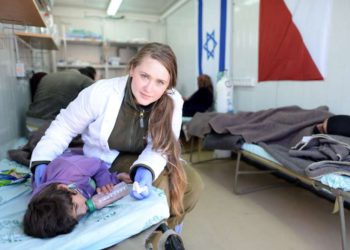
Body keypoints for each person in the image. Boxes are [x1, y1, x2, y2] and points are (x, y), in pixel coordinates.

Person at [30, 42, 204, 234]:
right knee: (162, 186)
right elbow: (64, 127)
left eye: (160, 82)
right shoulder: (100, 92)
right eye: (144, 76)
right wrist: (42, 160)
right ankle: (154, 237)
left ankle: (167, 233)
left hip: (151, 155)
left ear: (168, 84)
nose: (149, 88)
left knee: (194, 186)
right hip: (110, 158)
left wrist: (146, 169)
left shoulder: (173, 100)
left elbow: (161, 145)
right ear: (132, 69)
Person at [23, 150, 131, 238]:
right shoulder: (49, 203)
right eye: (78, 218)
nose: (84, 211)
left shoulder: (73, 169)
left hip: (75, 156)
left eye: (76, 207)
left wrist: (106, 181)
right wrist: (115, 179)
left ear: (65, 188)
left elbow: (99, 164)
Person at [26, 67, 96, 121]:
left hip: (30, 122)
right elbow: (99, 98)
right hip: (50, 126)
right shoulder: (84, 79)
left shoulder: (48, 76)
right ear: (88, 76)